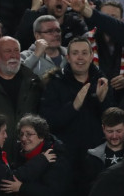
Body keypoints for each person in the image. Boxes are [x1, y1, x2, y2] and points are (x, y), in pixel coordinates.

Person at [40, 37, 113, 166]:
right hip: (65, 158)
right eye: (75, 53)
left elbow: (113, 122)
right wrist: (74, 106)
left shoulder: (102, 82)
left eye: (84, 53)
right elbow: (48, 122)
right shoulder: (55, 82)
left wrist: (102, 101)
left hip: (97, 157)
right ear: (68, 57)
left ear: (91, 57)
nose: (80, 58)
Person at [2, 114, 75, 196]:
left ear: (41, 136)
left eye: (29, 134)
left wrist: (22, 188)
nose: (24, 138)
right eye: (21, 134)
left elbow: (52, 193)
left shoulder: (56, 158)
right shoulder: (19, 154)